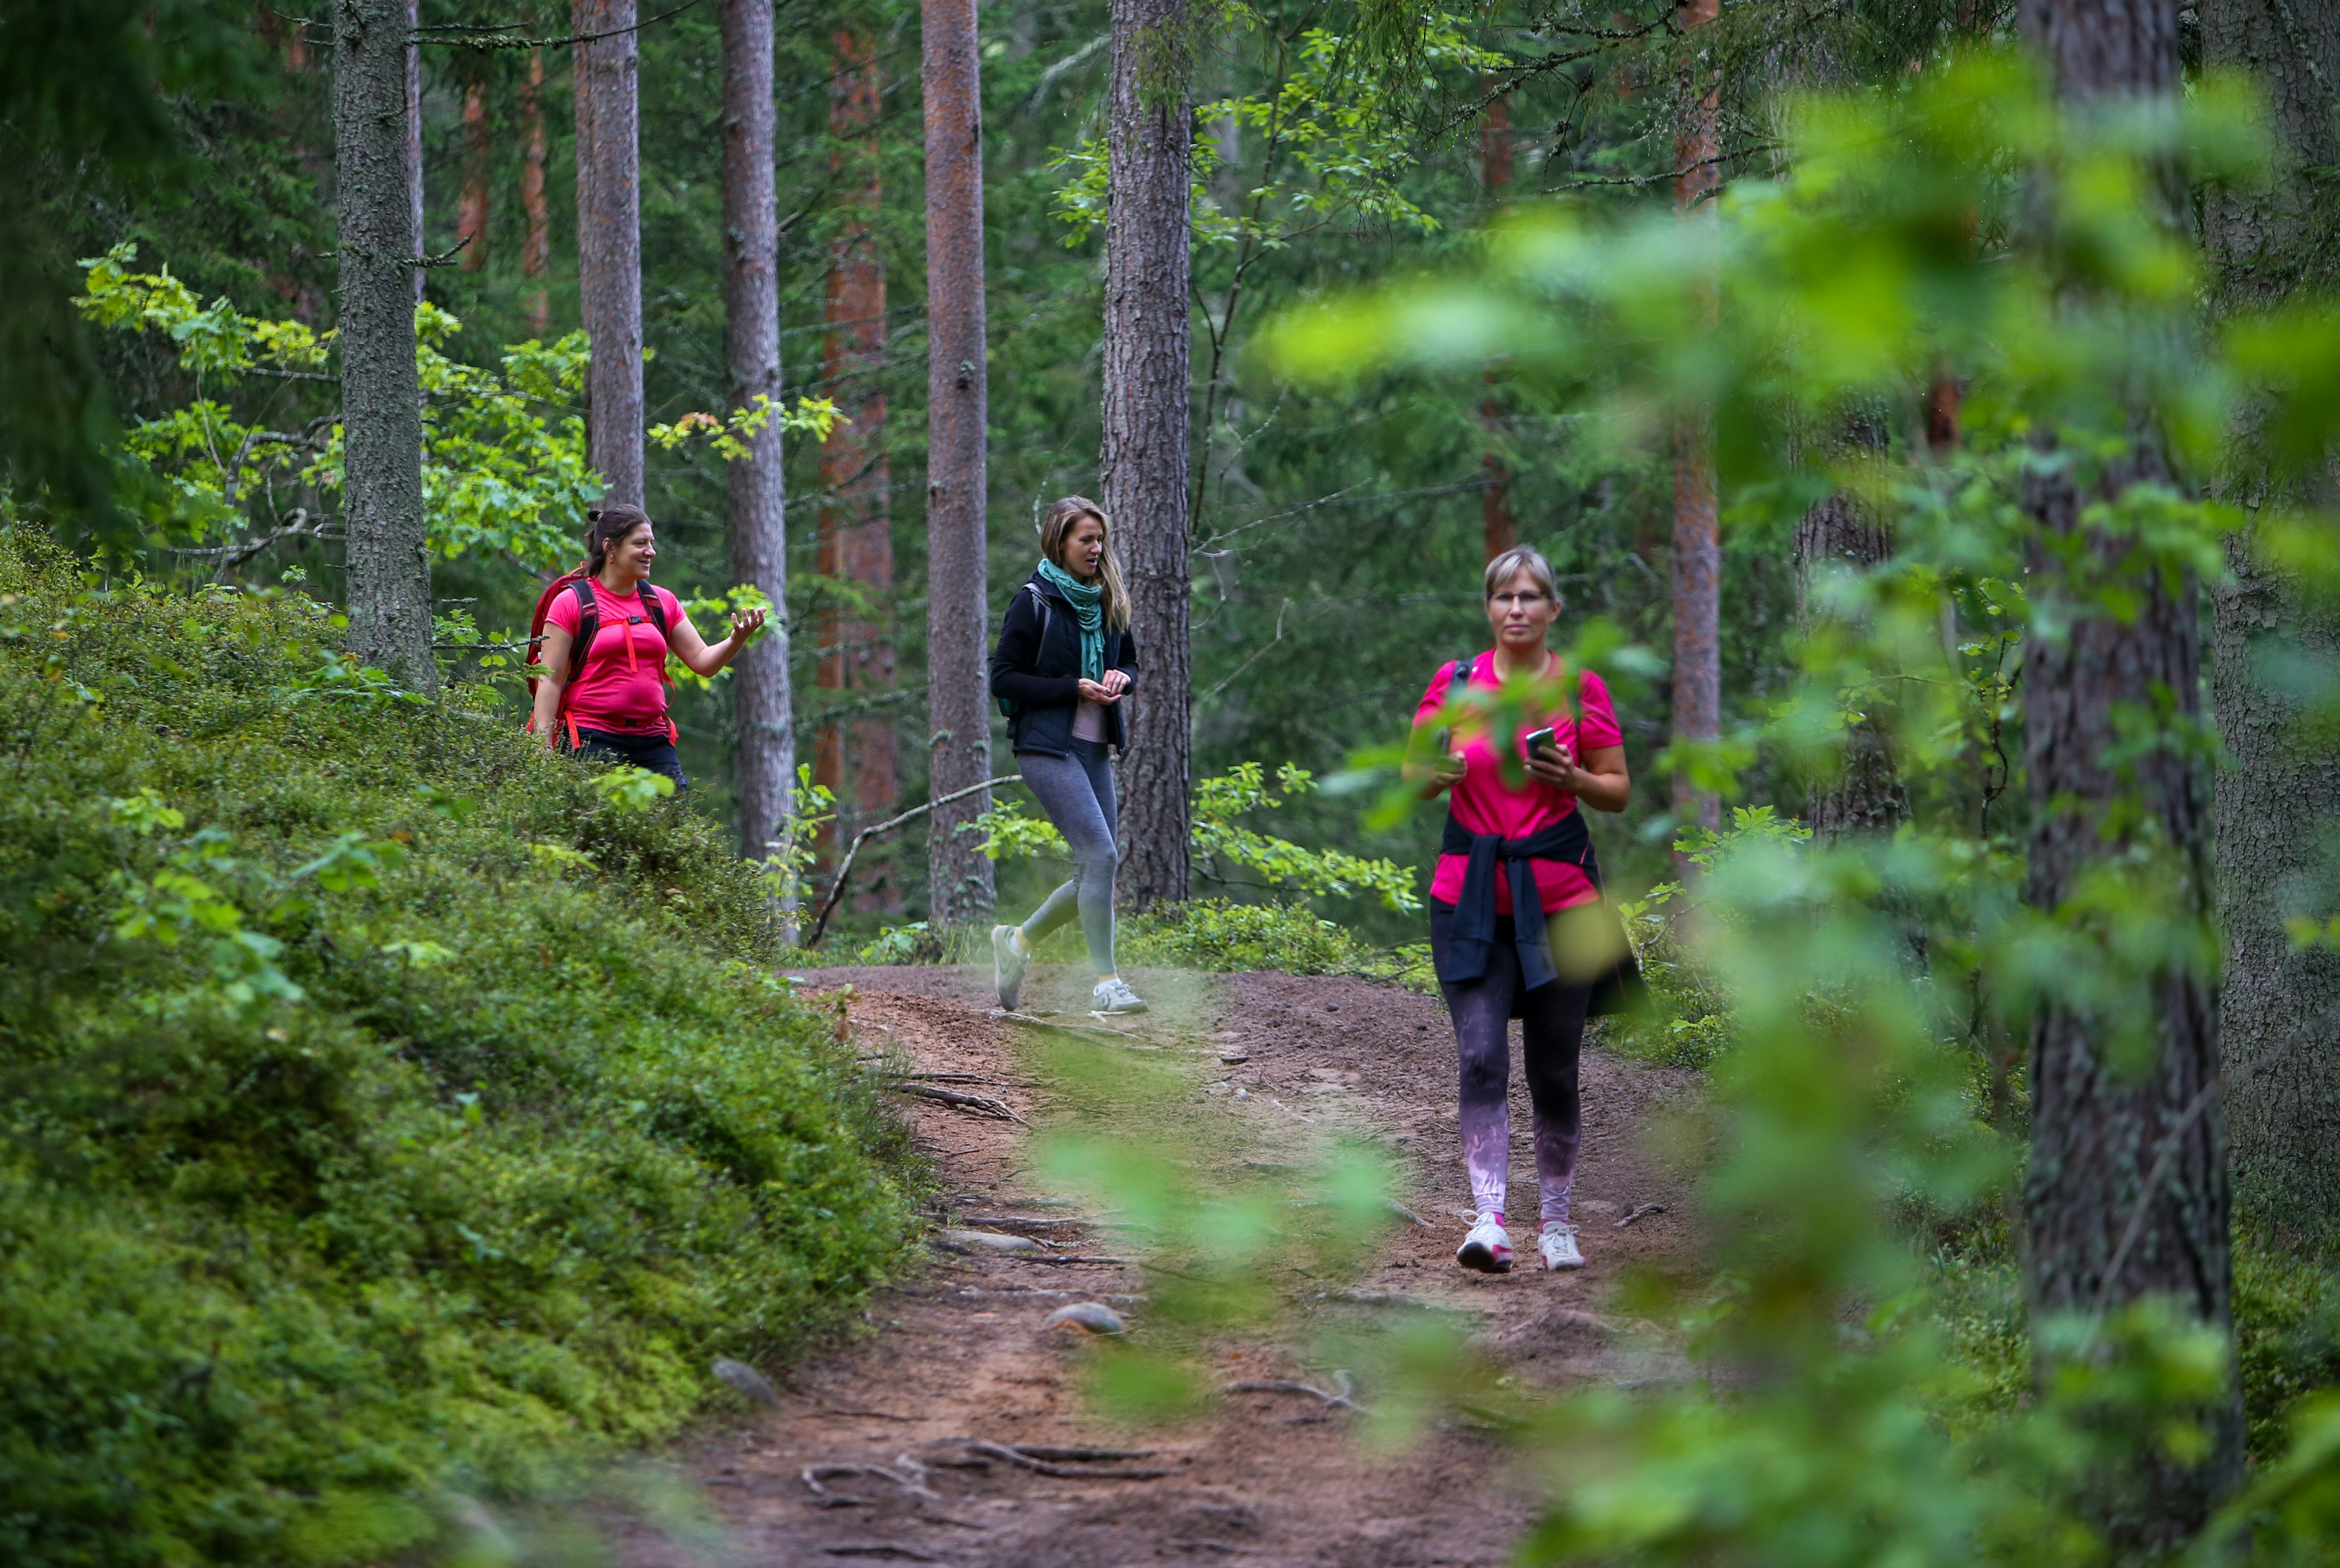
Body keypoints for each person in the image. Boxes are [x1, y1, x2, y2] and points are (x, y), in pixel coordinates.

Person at [1411, 545, 1634, 1275]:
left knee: (1554, 1072)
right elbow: (1415, 775)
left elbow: (1616, 788)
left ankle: (1558, 1223)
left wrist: (1571, 774)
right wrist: (1434, 770)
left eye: (1532, 596)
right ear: (1488, 607)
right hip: (1468, 901)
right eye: (1505, 596)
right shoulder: (1457, 681)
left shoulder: (1578, 685)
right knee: (1479, 1058)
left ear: (1553, 609)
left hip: (1564, 906)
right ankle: (1489, 1219)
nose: (1517, 608)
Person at [987, 496, 1146, 1018]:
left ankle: (1015, 944)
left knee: (1093, 870)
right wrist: (1069, 687)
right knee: (1100, 857)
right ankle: (1107, 983)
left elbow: (1127, 659)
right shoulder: (1033, 601)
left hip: (1095, 747)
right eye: (1086, 539)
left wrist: (1124, 677)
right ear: (1060, 542)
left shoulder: (1107, 598)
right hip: (1045, 746)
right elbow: (1003, 678)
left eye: (1100, 539)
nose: (1097, 549)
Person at [528, 503, 765, 787]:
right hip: (591, 738)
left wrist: (736, 638)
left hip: (653, 740)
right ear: (610, 548)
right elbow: (550, 681)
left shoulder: (661, 602)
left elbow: (703, 661)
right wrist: (541, 753)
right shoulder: (571, 602)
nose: (651, 552)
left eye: (652, 543)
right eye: (640, 543)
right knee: (598, 827)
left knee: (674, 821)